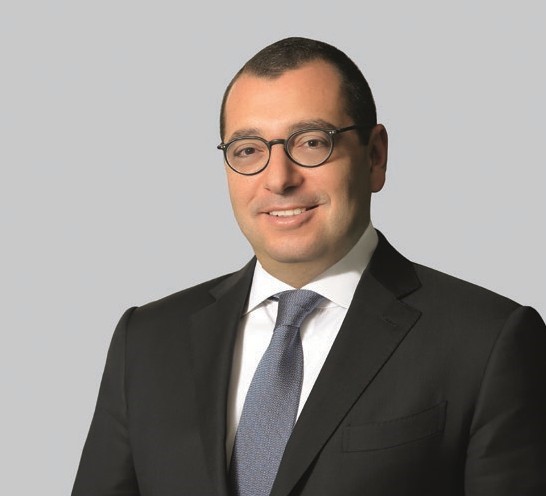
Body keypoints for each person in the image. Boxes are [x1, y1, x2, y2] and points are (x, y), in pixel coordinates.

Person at [72, 37, 546, 496]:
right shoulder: (147, 342)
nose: (279, 179)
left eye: (312, 142)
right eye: (248, 150)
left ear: (375, 156)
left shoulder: (486, 342)